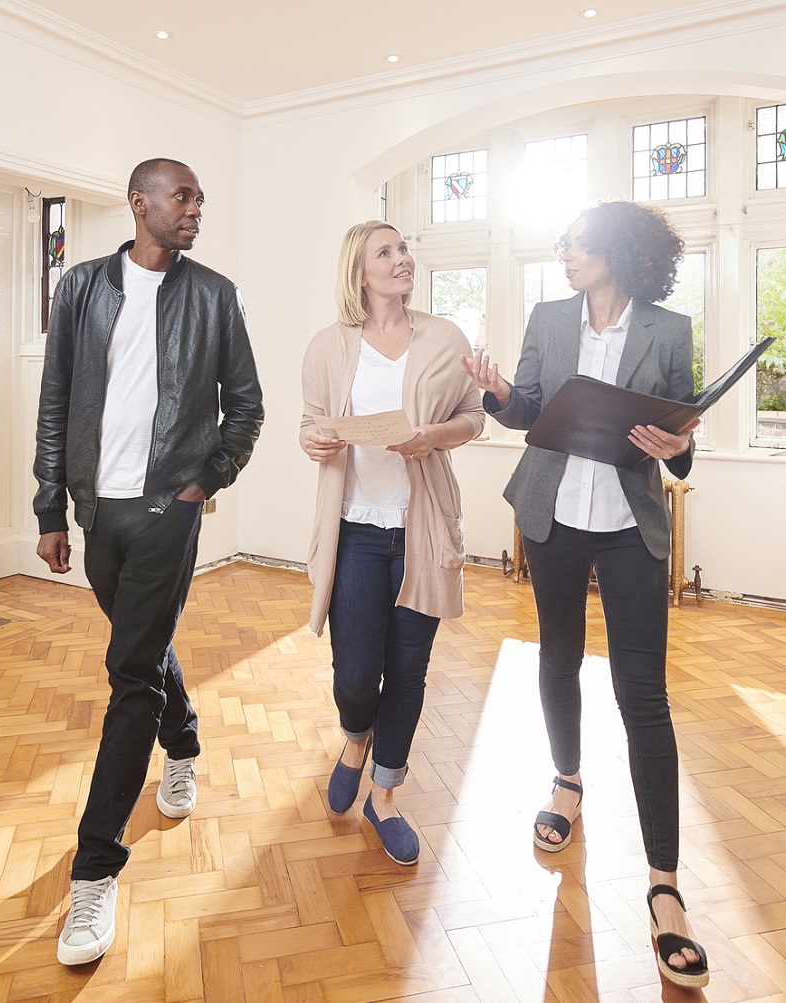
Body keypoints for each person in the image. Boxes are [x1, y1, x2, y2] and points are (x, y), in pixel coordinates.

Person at [461, 200, 710, 989]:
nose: (565, 253)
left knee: (646, 695)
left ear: (617, 250)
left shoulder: (668, 331)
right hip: (553, 516)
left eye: (577, 243)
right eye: (563, 244)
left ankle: (664, 884)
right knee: (557, 659)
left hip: (629, 527)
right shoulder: (548, 315)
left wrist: (680, 447)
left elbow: (681, 444)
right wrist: (500, 392)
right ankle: (567, 781)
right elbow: (532, 411)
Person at [35, 158, 263, 966]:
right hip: (100, 512)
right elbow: (56, 397)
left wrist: (208, 479)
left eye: (200, 197)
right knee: (143, 645)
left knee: (127, 671)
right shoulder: (84, 288)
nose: (196, 208)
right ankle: (188, 738)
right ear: (141, 204)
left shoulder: (214, 294)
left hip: (171, 510)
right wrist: (50, 505)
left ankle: (94, 870)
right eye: (183, 196)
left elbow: (247, 405)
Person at [299, 221, 484, 866]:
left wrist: (432, 437)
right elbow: (311, 426)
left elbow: (473, 416)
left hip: (421, 532)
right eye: (388, 251)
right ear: (360, 270)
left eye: (405, 248)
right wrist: (315, 440)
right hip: (355, 531)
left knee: (407, 670)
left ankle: (386, 793)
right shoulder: (328, 347)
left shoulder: (445, 337)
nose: (403, 259)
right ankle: (356, 738)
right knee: (354, 675)